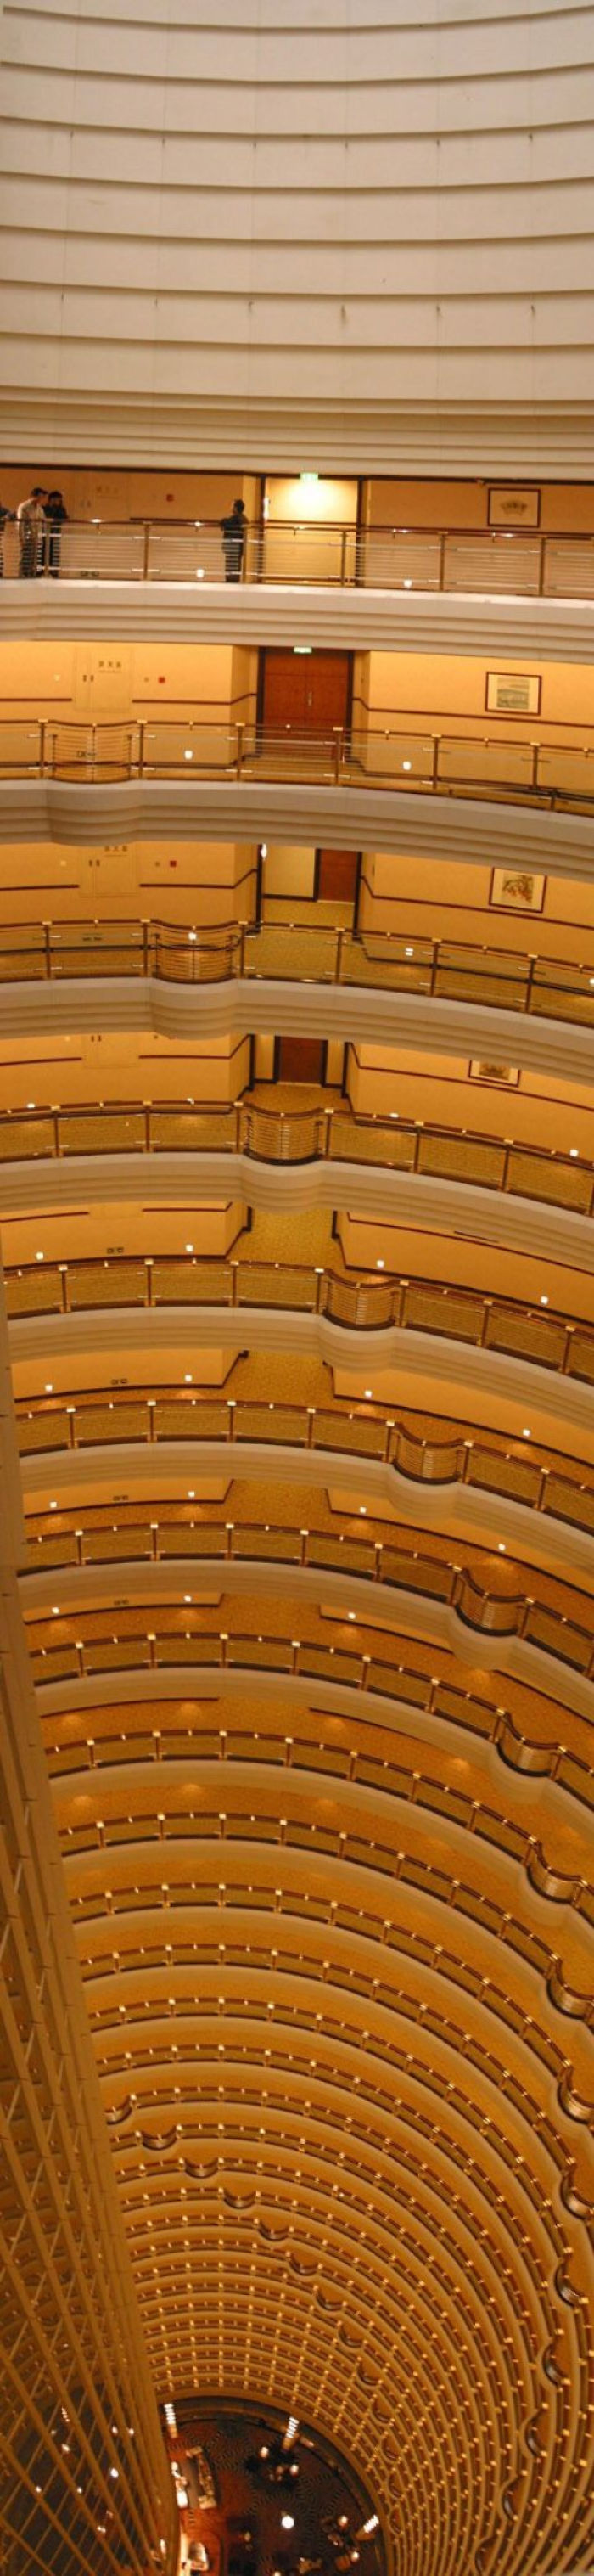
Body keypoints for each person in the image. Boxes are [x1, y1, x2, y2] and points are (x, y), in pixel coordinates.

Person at [16, 486, 48, 577]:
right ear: (34, 496)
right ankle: (22, 576)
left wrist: (42, 536)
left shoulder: (39, 508)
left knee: (34, 559)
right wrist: (21, 538)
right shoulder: (24, 507)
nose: (42, 499)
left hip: (36, 537)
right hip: (27, 536)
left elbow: (43, 521)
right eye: (40, 496)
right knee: (25, 557)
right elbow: (20, 524)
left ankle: (32, 576)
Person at [221, 497, 246, 582]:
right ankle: (233, 582)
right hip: (237, 547)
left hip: (233, 547)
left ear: (235, 508)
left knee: (231, 569)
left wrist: (223, 522)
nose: (230, 507)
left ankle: (231, 583)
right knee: (235, 568)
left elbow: (225, 523)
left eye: (232, 505)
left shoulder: (236, 519)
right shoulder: (242, 518)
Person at [45, 488, 68, 577]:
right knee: (46, 552)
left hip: (57, 534)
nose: (59, 501)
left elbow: (64, 518)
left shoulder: (61, 509)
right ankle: (44, 571)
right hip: (46, 535)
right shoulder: (45, 508)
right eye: (58, 499)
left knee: (55, 553)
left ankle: (54, 572)